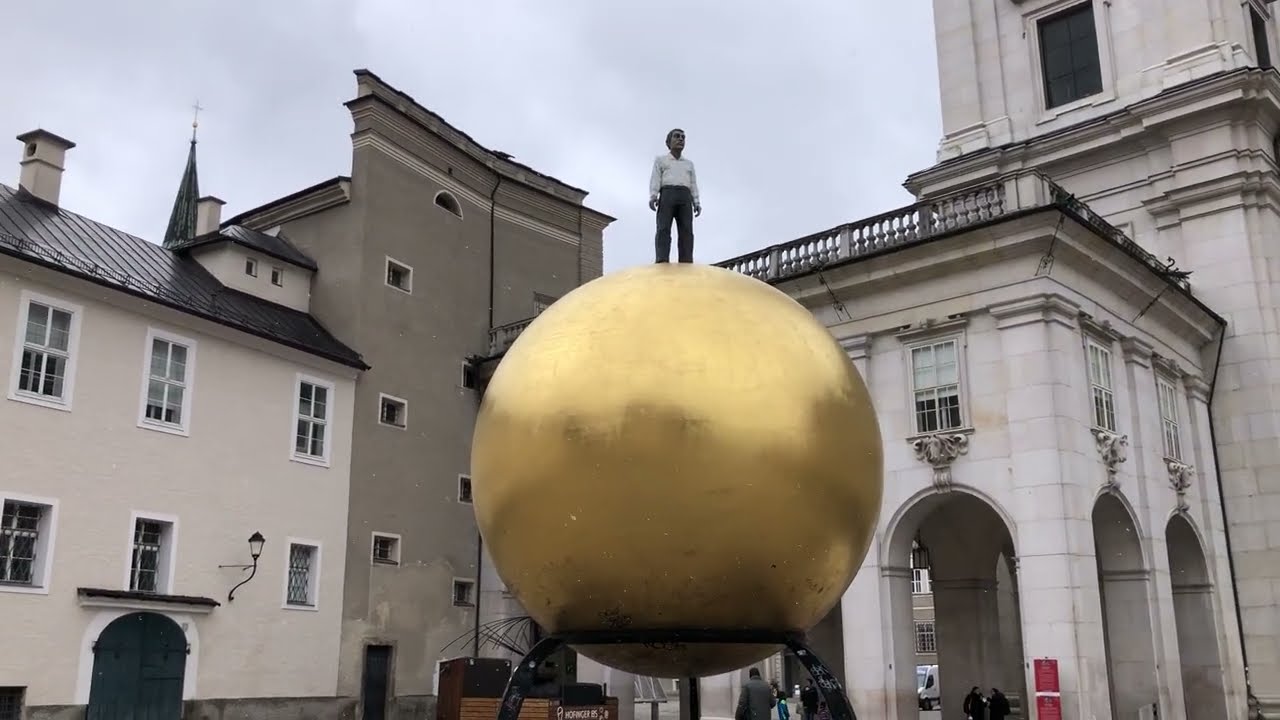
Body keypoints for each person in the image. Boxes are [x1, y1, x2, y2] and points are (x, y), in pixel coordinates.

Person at [648, 128, 701, 264]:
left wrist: (696, 201)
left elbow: (693, 183)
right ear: (669, 141)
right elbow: (656, 178)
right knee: (663, 228)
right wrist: (654, 195)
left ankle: (686, 260)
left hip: (685, 195)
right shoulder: (661, 160)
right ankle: (662, 258)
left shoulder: (688, 164)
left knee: (686, 230)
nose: (681, 139)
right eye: (677, 136)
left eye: (683, 137)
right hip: (667, 194)